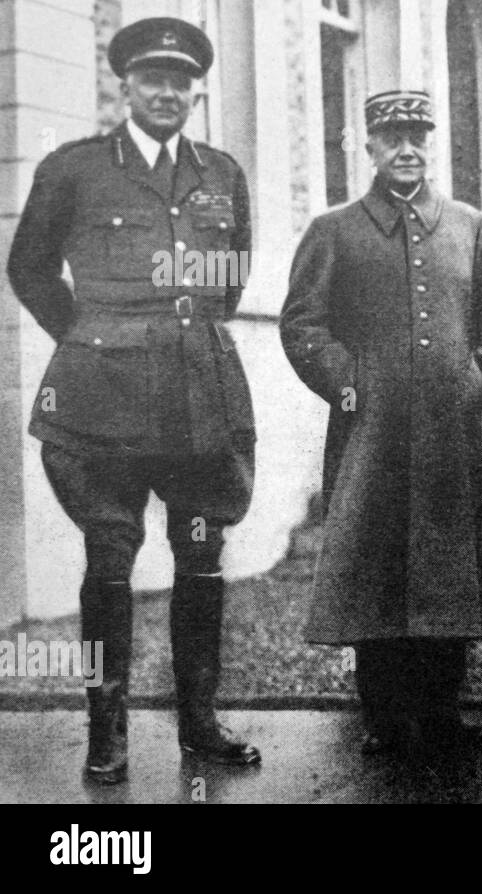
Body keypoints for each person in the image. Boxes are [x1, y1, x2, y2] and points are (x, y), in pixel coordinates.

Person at [6, 17, 259, 784]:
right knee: (109, 560)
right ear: (124, 87)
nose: (166, 93)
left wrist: (183, 338)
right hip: (103, 403)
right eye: (152, 78)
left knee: (201, 553)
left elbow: (230, 278)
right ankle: (105, 730)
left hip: (197, 401)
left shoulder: (222, 173)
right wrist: (89, 336)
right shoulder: (75, 169)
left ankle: (200, 723)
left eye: (180, 82)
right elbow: (30, 270)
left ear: (195, 91)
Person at [280, 90, 482, 761]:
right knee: (374, 563)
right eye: (392, 137)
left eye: (418, 135)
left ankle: (443, 713)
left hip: (450, 429)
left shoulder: (468, 224)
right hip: (372, 431)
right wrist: (345, 382)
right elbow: (302, 324)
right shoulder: (334, 230)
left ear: (431, 143)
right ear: (370, 147)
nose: (407, 148)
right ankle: (383, 715)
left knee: (447, 567)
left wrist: (477, 376)